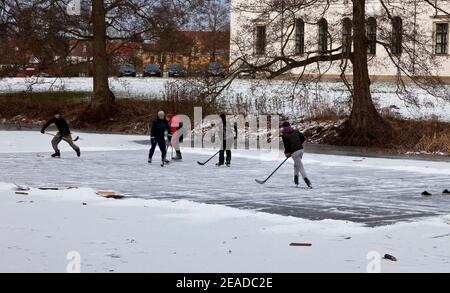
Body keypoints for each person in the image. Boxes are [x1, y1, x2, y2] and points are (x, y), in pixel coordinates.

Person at [281, 121, 312, 188]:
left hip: (294, 152)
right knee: (296, 164)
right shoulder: (296, 131)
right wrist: (297, 144)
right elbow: (303, 139)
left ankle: (307, 181)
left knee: (300, 166)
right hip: (301, 150)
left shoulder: (284, 135)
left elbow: (286, 146)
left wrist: (287, 153)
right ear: (289, 126)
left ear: (283, 127)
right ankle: (296, 179)